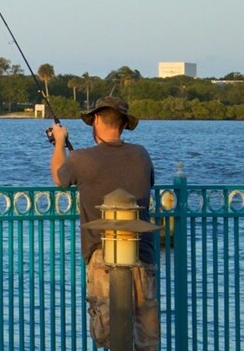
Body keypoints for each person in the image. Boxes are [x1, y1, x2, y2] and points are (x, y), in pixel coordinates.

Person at [49, 96, 158, 350]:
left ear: (96, 120)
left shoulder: (81, 159)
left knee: (109, 334)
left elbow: (59, 178)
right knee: (146, 337)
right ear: (124, 124)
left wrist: (60, 142)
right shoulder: (141, 155)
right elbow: (147, 181)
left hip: (102, 253)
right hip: (143, 252)